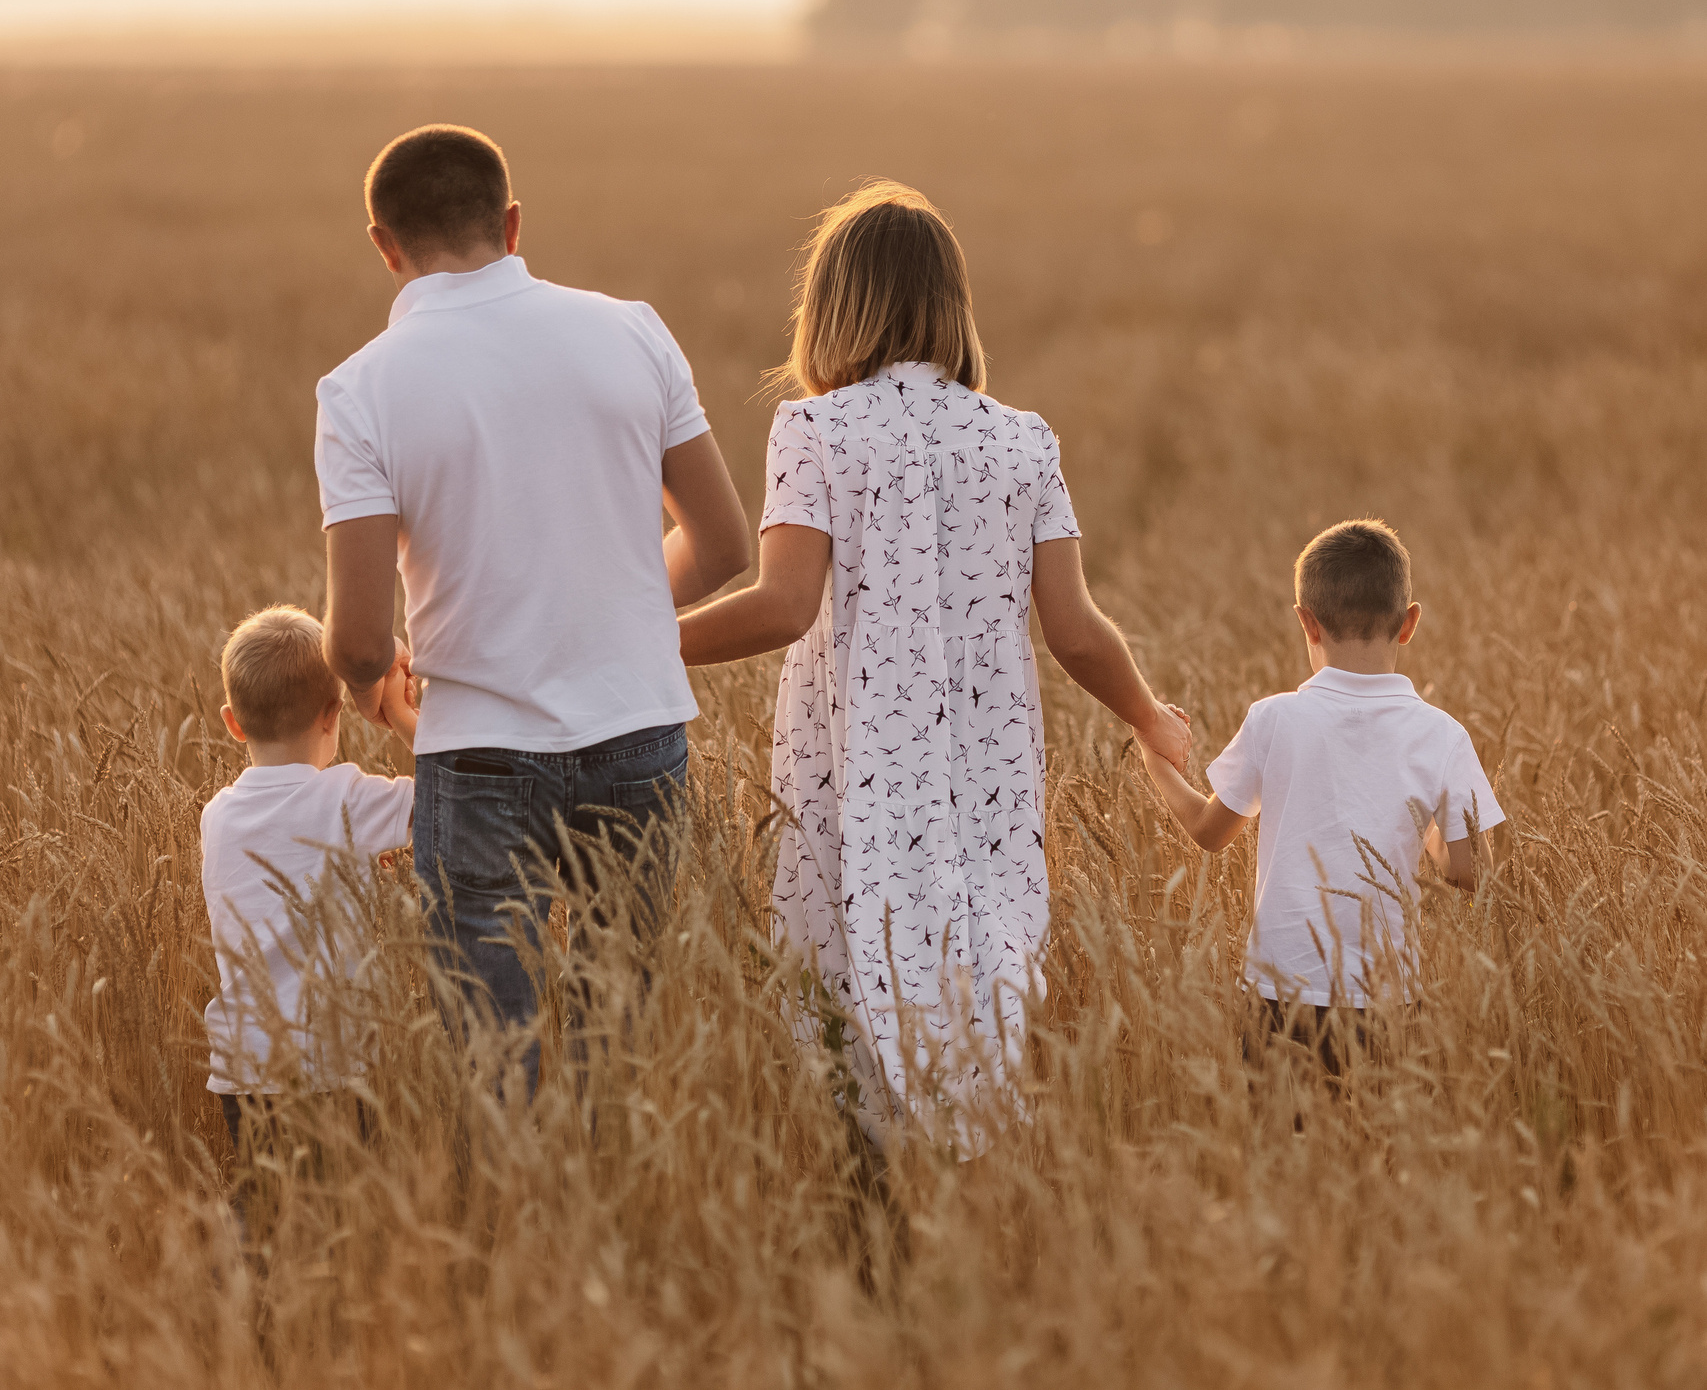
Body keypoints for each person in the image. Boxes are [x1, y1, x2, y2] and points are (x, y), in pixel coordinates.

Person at [677, 180, 1191, 1141]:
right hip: (984, 771)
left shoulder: (814, 428)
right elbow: (1076, 630)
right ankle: (973, 1182)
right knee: (977, 971)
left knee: (845, 970)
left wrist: (650, 646)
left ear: (831, 308)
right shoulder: (1022, 439)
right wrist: (1148, 716)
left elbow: (785, 606)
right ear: (951, 306)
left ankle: (873, 1206)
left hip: (853, 763)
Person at [315, 125, 750, 1095]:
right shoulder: (634, 328)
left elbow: (354, 637)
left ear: (384, 243)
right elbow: (725, 547)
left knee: (494, 1058)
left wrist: (373, 686)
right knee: (619, 1045)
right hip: (637, 729)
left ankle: (519, 1232)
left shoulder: (360, 390)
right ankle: (611, 1221)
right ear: (511, 223)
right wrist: (610, 612)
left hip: (475, 752)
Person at [1138, 517, 1503, 1068]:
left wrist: (1153, 754)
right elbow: (1470, 871)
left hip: (1280, 994)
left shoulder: (1275, 718)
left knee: (1282, 1146)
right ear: (1409, 623)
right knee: (1376, 1148)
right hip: (1388, 996)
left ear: (1306, 623)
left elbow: (1208, 833)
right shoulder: (1443, 735)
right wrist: (1423, 828)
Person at [201, 606, 417, 1206]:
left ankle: (244, 1291)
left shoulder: (215, 816)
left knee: (267, 1211)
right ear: (333, 714)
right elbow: (454, 797)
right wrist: (401, 716)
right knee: (341, 1214)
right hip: (331, 1061)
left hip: (244, 1065)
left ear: (232, 724)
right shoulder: (344, 798)